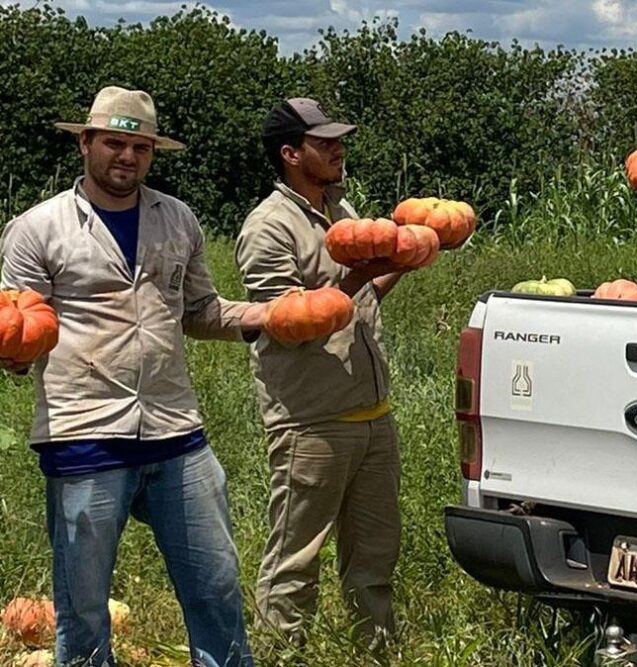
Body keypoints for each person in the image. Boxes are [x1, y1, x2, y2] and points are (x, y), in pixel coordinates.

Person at [0, 86, 265, 667]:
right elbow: (19, 324)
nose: (127, 157)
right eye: (115, 143)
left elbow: (199, 311)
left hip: (176, 430)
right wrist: (14, 358)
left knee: (217, 584)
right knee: (84, 605)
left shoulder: (177, 219)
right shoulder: (37, 229)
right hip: (84, 434)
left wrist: (270, 316)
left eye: (140, 147)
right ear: (86, 144)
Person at [235, 98, 408, 645]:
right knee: (296, 557)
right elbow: (288, 322)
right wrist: (357, 277)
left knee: (376, 553)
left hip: (371, 414)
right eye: (324, 142)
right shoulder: (269, 227)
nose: (338, 149)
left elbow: (362, 299)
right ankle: (284, 652)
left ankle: (374, 648)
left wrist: (397, 264)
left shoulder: (342, 208)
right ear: (290, 154)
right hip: (312, 420)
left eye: (339, 139)